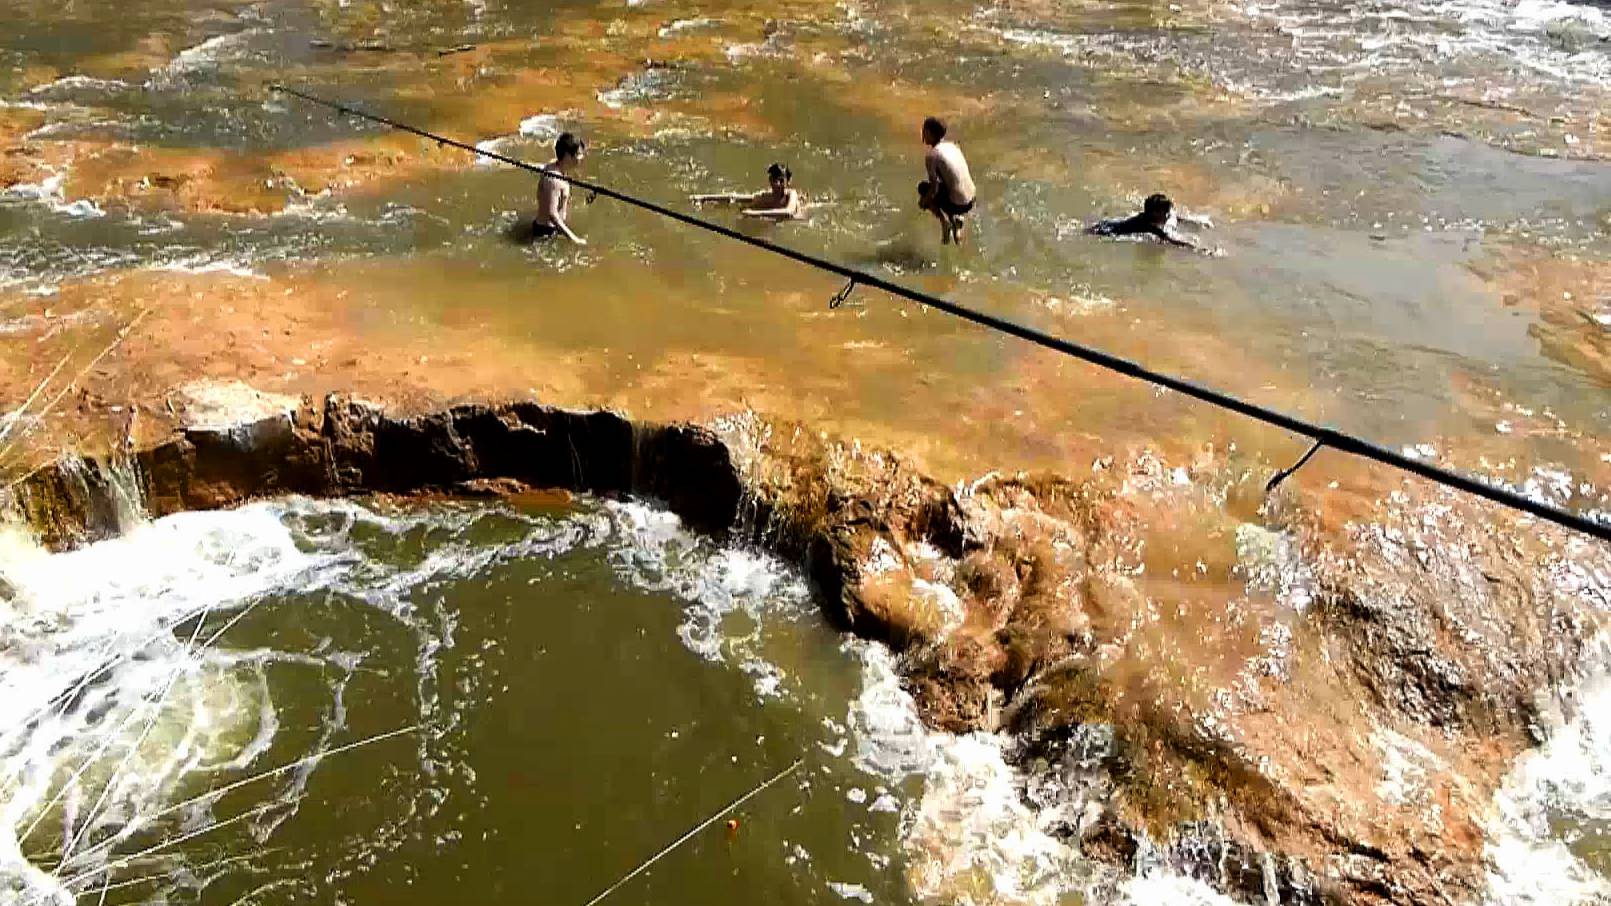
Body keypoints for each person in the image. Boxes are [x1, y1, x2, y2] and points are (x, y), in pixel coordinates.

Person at [917, 116, 976, 245]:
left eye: (924, 130)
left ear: (929, 133)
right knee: (948, 185)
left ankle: (945, 222)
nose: (922, 133)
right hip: (971, 200)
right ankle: (957, 224)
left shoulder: (932, 156)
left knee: (923, 188)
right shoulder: (954, 146)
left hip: (957, 205)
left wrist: (923, 202)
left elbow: (934, 189)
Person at [690, 163, 805, 220]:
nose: (778, 184)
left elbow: (788, 211)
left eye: (781, 180)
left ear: (788, 181)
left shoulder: (791, 194)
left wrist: (755, 213)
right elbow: (735, 197)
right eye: (775, 180)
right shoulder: (766, 196)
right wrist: (704, 197)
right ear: (770, 181)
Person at [1086, 193, 1198, 249]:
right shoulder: (1149, 227)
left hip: (1106, 224)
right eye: (1165, 213)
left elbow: (1173, 217)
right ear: (1155, 214)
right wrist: (1197, 249)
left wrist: (1193, 222)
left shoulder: (1145, 217)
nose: (1168, 216)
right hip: (1105, 231)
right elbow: (1172, 241)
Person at [533, 132, 586, 244]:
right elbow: (552, 214)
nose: (582, 157)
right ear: (567, 156)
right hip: (547, 233)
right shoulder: (554, 180)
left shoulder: (554, 168)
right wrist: (574, 239)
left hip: (553, 229)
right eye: (579, 154)